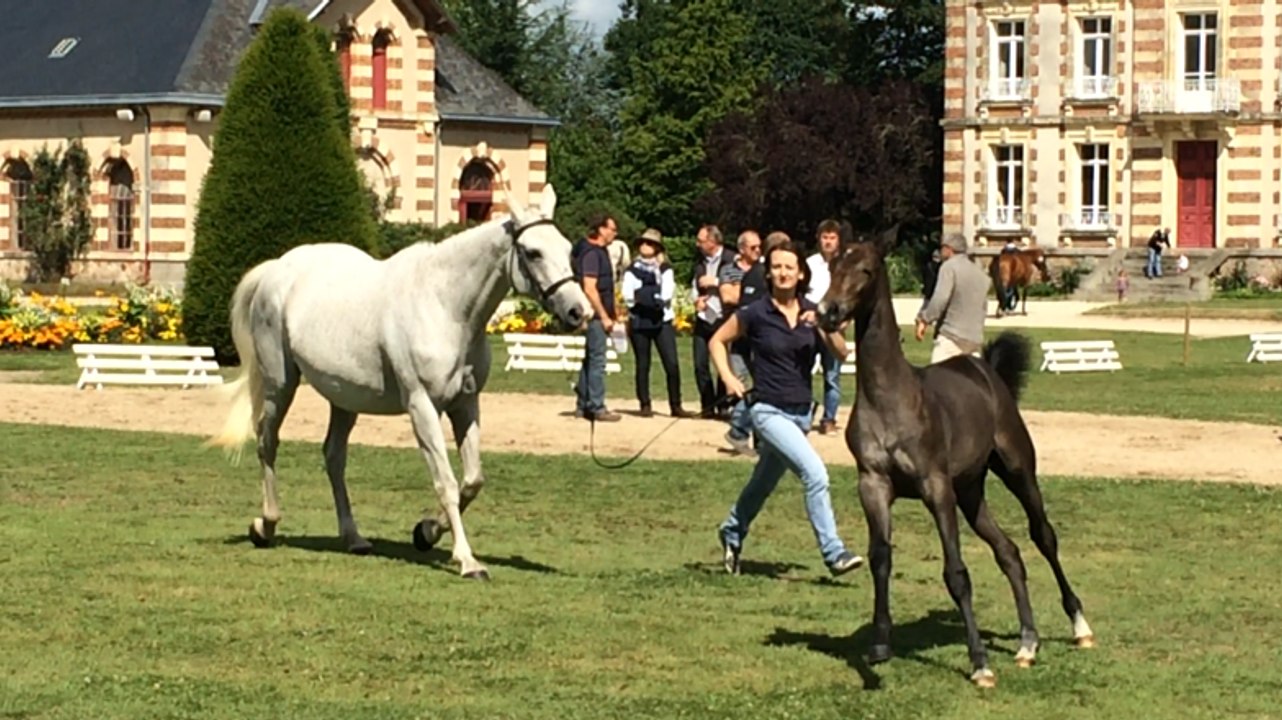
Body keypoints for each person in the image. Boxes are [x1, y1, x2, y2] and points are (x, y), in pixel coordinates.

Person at [711, 239, 864, 578]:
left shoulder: (814, 310)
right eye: (776, 267)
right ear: (769, 273)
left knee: (762, 484)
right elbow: (717, 340)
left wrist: (823, 326)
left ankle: (732, 531)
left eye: (789, 267)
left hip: (801, 415)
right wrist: (729, 378)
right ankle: (834, 551)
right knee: (815, 475)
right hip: (766, 411)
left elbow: (841, 352)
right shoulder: (755, 313)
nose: (782, 273)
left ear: (800, 274)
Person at [621, 228, 693, 418]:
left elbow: (666, 295)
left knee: (671, 364)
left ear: (657, 248)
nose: (646, 246)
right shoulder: (631, 269)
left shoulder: (665, 269)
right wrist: (651, 297)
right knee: (642, 364)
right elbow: (628, 296)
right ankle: (645, 404)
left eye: (650, 243)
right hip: (639, 321)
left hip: (662, 321)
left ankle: (676, 405)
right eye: (643, 243)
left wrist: (644, 296)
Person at [572, 214, 622, 422]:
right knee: (598, 361)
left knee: (590, 359)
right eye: (612, 229)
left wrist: (615, 310)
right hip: (595, 315)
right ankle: (596, 406)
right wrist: (604, 316)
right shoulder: (592, 254)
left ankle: (583, 404)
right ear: (601, 230)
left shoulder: (593, 250)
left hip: (598, 313)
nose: (614, 233)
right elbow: (590, 289)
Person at [915, 232, 991, 364]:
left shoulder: (949, 267)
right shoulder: (980, 273)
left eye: (942, 247)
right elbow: (983, 307)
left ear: (949, 249)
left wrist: (924, 319)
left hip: (951, 336)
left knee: (937, 380)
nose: (940, 251)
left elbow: (940, 299)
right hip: (974, 339)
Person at [690, 224, 737, 418]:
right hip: (704, 318)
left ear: (712, 241)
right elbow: (695, 285)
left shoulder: (732, 259)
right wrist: (696, 300)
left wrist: (716, 282)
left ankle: (723, 405)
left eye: (701, 241)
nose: (697, 244)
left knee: (722, 364)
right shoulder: (700, 262)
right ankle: (707, 405)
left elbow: (738, 284)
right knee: (700, 364)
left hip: (723, 318)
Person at [805, 219, 844, 435]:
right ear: (819, 240)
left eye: (832, 238)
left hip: (833, 325)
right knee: (804, 372)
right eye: (825, 238)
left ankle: (829, 419)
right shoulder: (810, 264)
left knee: (832, 376)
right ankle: (805, 412)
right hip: (811, 324)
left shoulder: (843, 264)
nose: (828, 242)